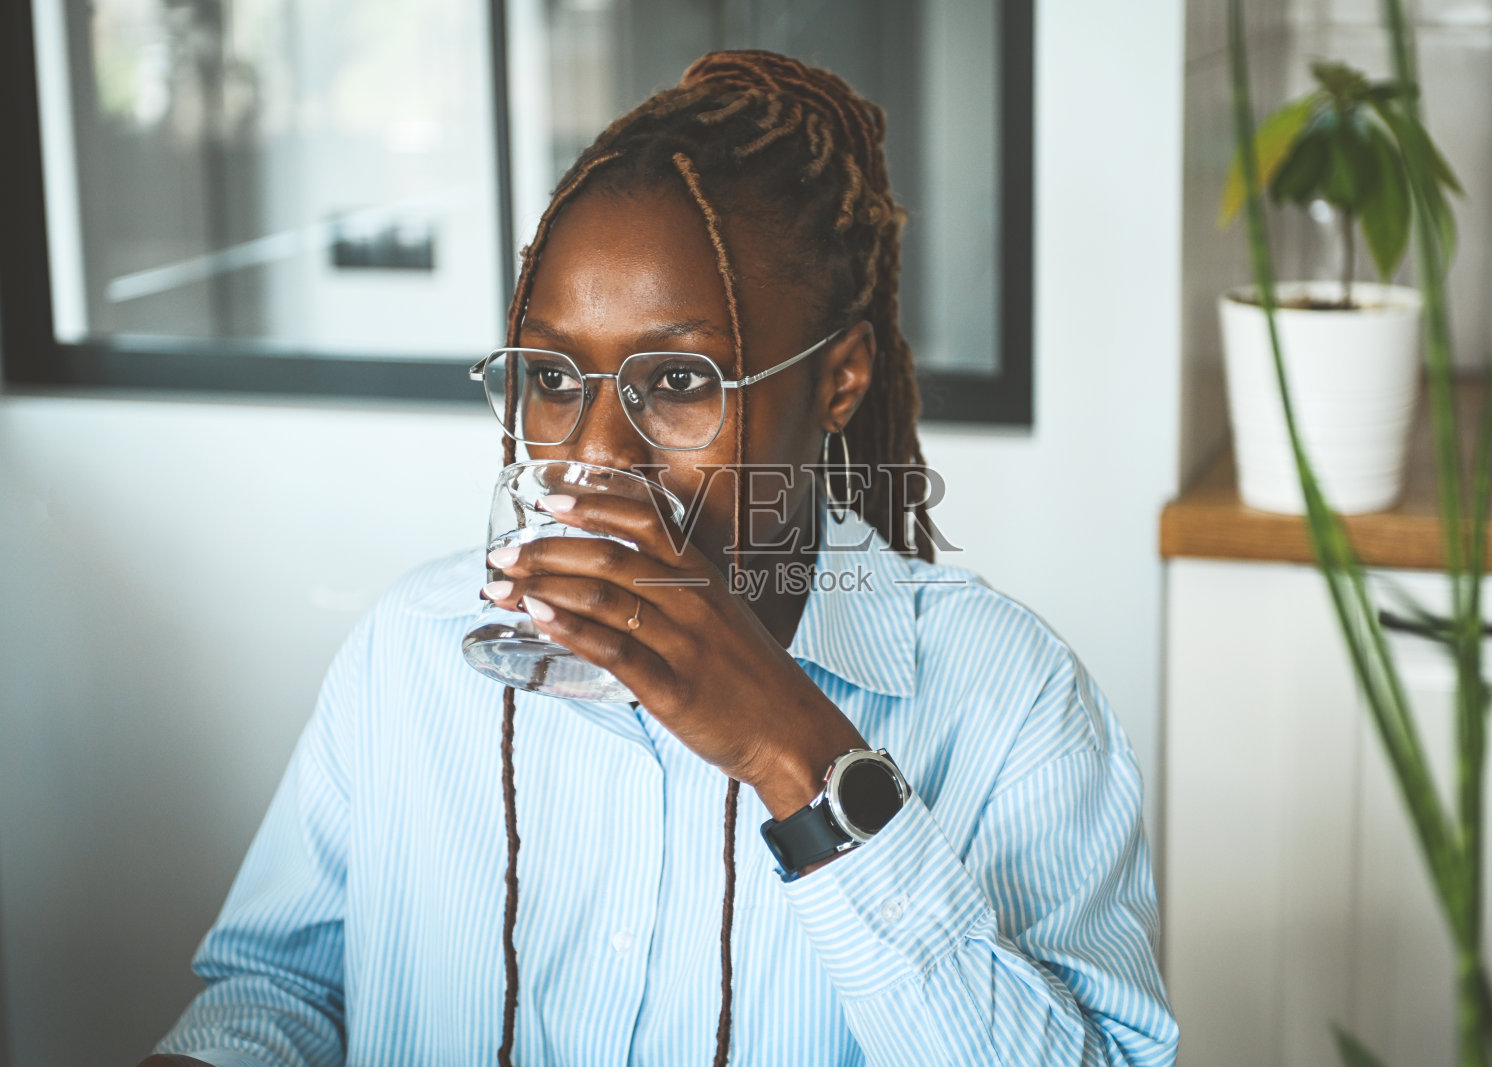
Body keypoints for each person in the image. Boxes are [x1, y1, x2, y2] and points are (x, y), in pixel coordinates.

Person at [143, 50, 1178, 1067]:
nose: (595, 454)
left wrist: (795, 752)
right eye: (554, 378)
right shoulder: (412, 653)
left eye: (679, 381)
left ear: (840, 380)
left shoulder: (1012, 702)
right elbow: (285, 989)